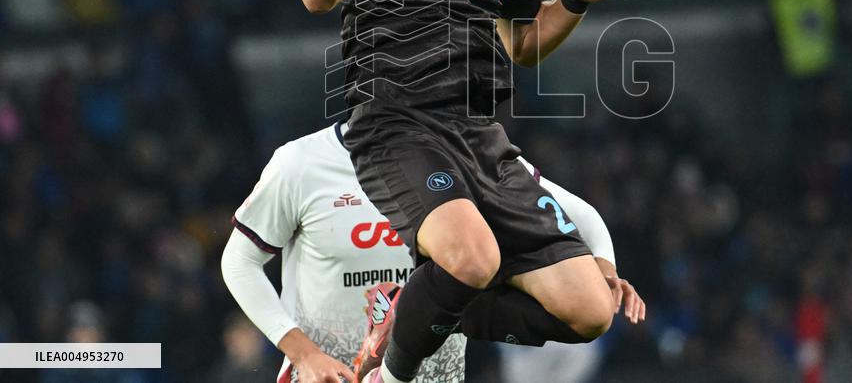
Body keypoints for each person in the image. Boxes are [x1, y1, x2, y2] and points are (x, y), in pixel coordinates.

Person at [300, 0, 645, 383]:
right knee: (472, 259)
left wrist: (576, 0)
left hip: (480, 136)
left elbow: (522, 44)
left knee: (591, 312)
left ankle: (415, 311)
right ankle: (390, 375)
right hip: (398, 127)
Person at [221, 120, 645, 383]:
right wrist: (303, 353)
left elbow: (581, 216)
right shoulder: (302, 163)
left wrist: (603, 271)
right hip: (330, 375)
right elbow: (239, 261)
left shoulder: (469, 159)